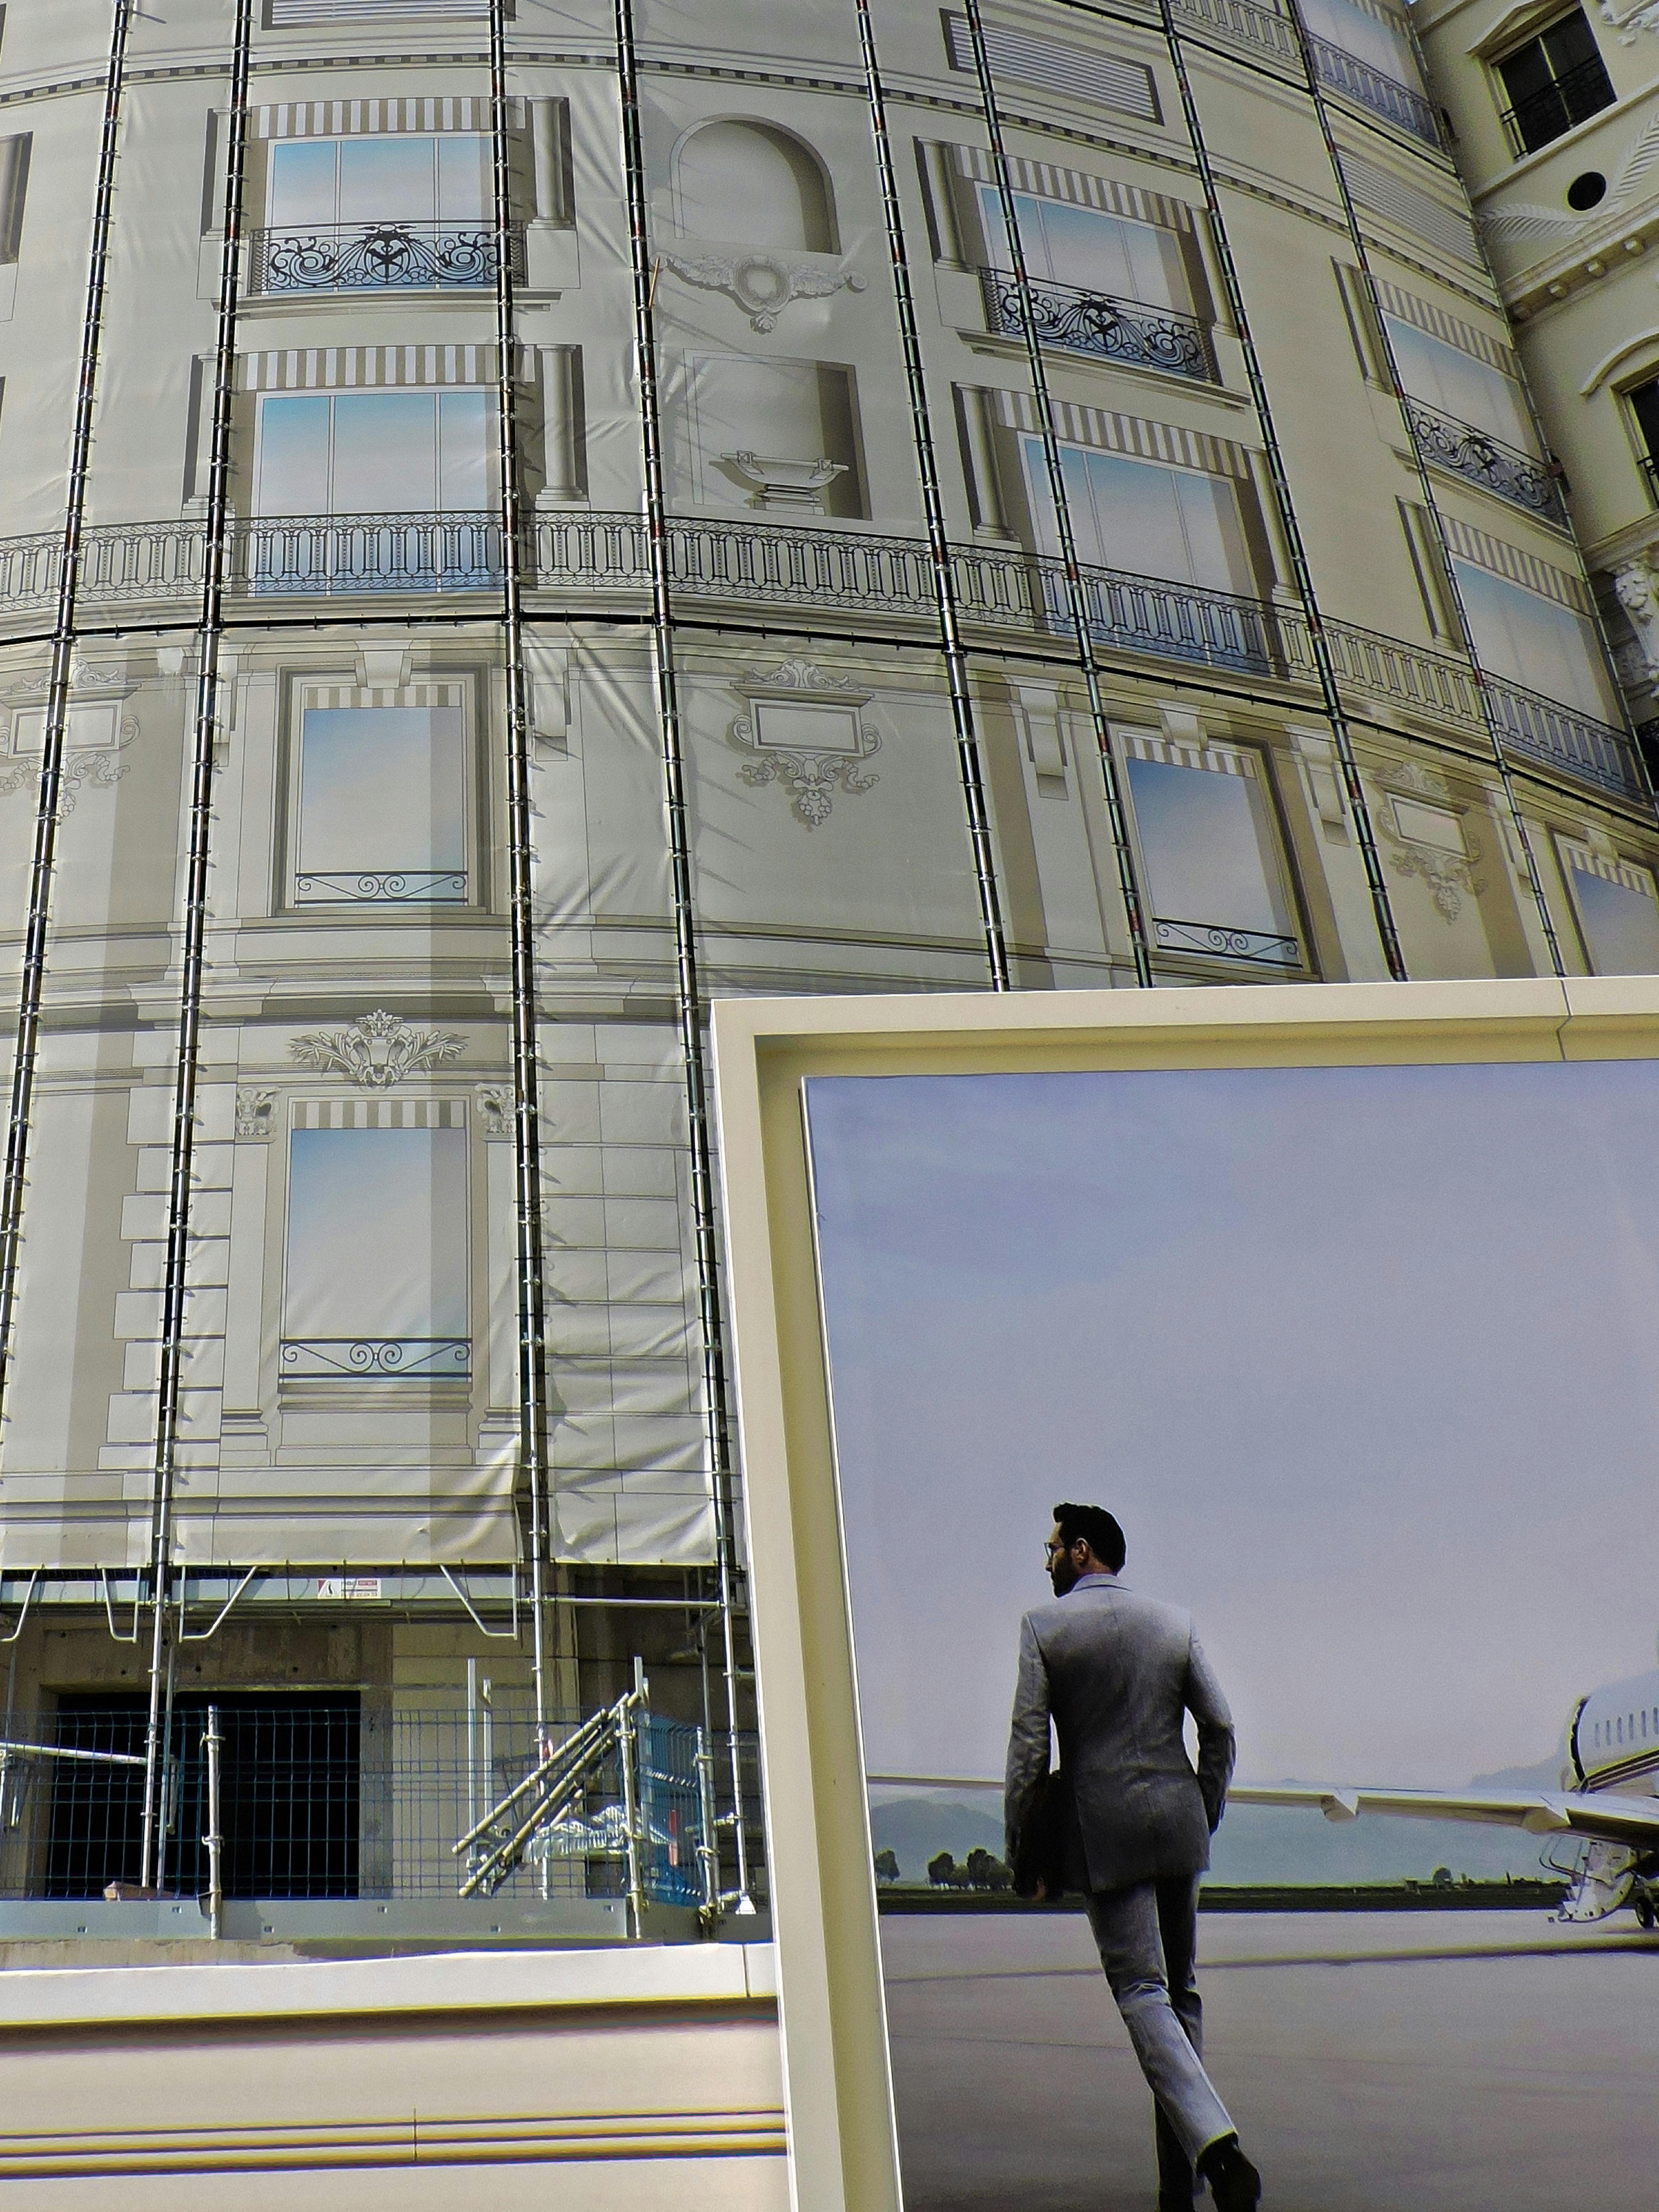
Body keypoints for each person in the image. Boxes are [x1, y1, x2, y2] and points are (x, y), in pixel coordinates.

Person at [1004, 1503, 1262, 2212]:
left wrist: (1025, 1855)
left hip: (1105, 1832)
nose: (1047, 1560)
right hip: (1179, 1826)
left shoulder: (1044, 1629)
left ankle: (1220, 2151)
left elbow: (1030, 1753)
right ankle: (1177, 2189)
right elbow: (1222, 1730)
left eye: (1053, 1548)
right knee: (1181, 1997)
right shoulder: (1173, 1624)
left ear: (1082, 1552)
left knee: (1142, 1994)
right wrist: (1201, 1812)